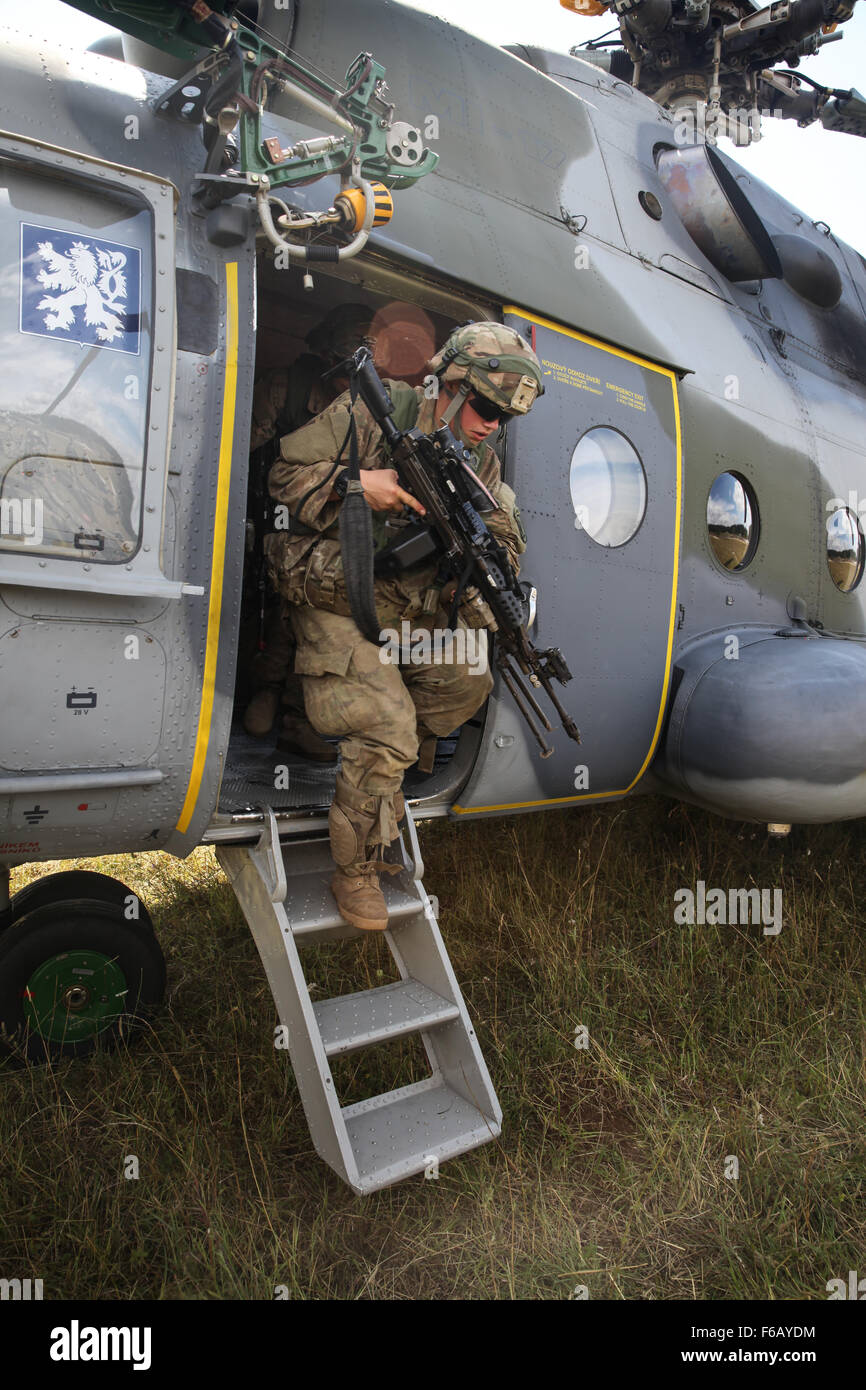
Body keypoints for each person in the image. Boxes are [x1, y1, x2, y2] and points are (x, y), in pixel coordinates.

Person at [266, 322, 544, 931]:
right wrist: (357, 486)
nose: (491, 424)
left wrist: (482, 566)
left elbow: (501, 539)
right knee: (390, 725)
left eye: (505, 417)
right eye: (485, 406)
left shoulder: (483, 466)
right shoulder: (377, 408)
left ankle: (376, 778)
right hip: (334, 591)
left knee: (467, 677)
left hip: (402, 608)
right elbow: (279, 484)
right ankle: (357, 867)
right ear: (449, 383)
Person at [243, 302, 375, 759]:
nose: (350, 388)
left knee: (317, 618)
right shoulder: (289, 387)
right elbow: (236, 448)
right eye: (344, 376)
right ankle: (264, 689)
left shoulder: (374, 406)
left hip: (334, 529)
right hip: (277, 514)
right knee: (274, 606)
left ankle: (298, 717)